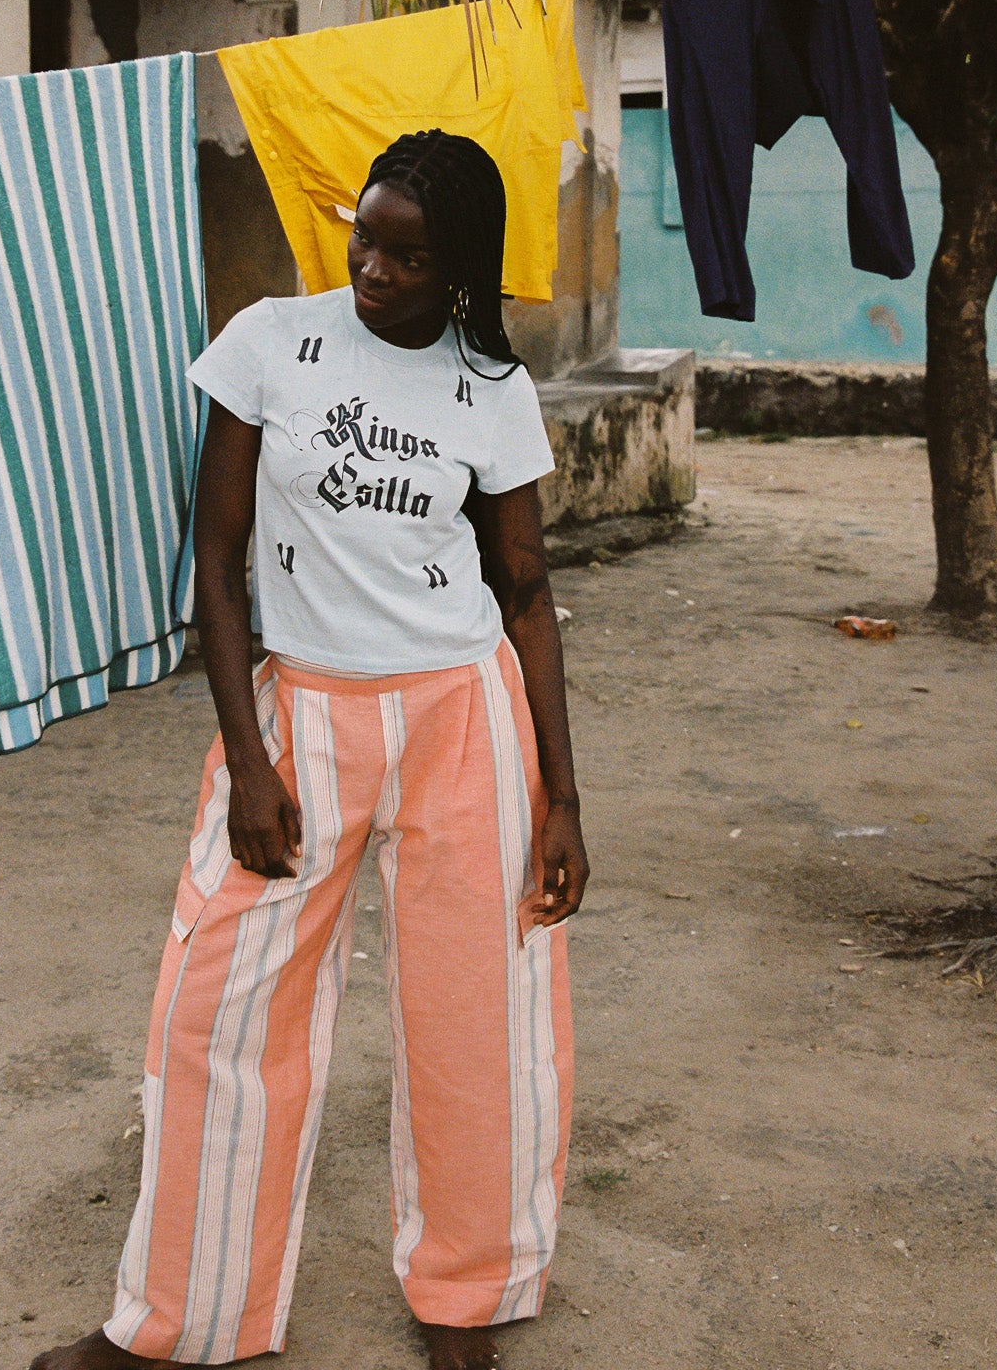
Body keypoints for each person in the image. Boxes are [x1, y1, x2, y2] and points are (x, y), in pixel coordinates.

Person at [33, 129, 588, 1370]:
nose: (372, 267)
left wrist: (560, 794)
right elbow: (216, 567)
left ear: (461, 270)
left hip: (463, 716)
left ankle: (470, 1298)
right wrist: (250, 755)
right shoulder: (269, 342)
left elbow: (527, 586)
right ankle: (180, 1319)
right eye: (365, 235)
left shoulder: (489, 386)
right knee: (215, 1008)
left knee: (480, 1013)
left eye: (407, 253)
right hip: (301, 712)